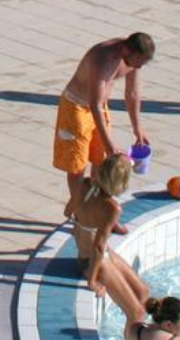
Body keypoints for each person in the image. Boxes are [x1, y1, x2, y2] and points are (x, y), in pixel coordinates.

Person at [54, 32, 156, 224]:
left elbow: (132, 94)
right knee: (78, 165)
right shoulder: (102, 58)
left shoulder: (132, 58)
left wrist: (138, 129)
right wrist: (110, 144)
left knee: (102, 163)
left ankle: (100, 211)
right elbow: (95, 104)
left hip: (100, 108)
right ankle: (81, 213)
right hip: (76, 107)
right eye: (139, 62)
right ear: (127, 50)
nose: (140, 66)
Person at [70, 154, 151, 319]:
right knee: (138, 313)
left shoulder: (84, 185)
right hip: (93, 262)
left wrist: (86, 220)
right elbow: (98, 247)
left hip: (91, 255)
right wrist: (92, 281)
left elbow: (68, 211)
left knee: (143, 291)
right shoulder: (112, 208)